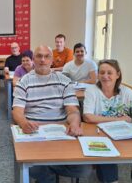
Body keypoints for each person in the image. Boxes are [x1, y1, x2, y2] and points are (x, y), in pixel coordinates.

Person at [12, 45, 91, 183]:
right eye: (39, 56)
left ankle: (46, 168)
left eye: (47, 56)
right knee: (34, 167)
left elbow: (72, 110)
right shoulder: (23, 82)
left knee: (83, 169)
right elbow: (17, 111)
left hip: (60, 131)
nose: (43, 60)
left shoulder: (64, 81)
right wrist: (24, 123)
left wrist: (74, 124)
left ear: (52, 60)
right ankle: (48, 171)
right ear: (33, 59)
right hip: (35, 131)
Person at [83, 59, 132, 183]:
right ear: (98, 74)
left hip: (124, 136)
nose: (105, 76)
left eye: (110, 73)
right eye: (102, 72)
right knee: (107, 154)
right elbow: (88, 117)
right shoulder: (92, 91)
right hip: (99, 135)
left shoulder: (127, 93)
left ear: (117, 74)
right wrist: (119, 119)